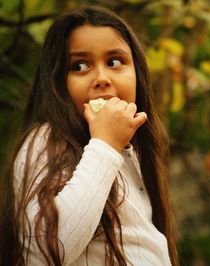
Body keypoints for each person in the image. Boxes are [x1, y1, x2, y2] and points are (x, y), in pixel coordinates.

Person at [0, 5, 178, 266]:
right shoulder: (47, 141)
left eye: (114, 62)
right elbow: (47, 251)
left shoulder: (132, 153)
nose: (102, 78)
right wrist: (104, 146)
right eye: (80, 66)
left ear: (137, 74)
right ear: (58, 83)